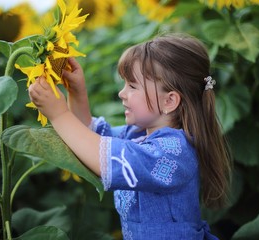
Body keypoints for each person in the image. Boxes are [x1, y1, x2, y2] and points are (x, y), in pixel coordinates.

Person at [28, 33, 232, 240]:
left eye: (132, 86)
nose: (122, 93)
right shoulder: (138, 135)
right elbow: (90, 138)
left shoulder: (173, 153)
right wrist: (76, 91)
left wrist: (59, 114)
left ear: (169, 101)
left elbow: (105, 159)